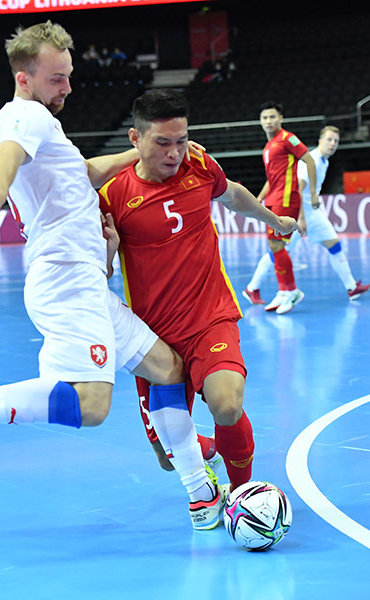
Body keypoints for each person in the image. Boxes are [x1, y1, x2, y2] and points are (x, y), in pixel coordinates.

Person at [0, 21, 225, 531]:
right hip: (66, 282)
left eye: (68, 76)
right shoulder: (23, 116)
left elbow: (83, 174)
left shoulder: (48, 127)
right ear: (25, 78)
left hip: (87, 280)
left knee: (168, 368)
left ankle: (200, 494)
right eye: (57, 79)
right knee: (91, 405)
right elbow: (7, 156)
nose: (67, 87)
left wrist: (144, 151)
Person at [99, 89, 300, 493]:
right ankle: (200, 453)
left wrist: (273, 218)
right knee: (168, 459)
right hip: (152, 339)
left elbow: (233, 195)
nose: (174, 153)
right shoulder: (111, 194)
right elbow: (98, 274)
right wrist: (108, 251)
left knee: (226, 404)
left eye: (180, 140)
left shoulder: (199, 163)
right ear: (135, 140)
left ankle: (243, 494)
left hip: (209, 317)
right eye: (162, 143)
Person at [242, 101, 319, 314]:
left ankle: (291, 290)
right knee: (276, 246)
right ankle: (284, 290)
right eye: (265, 118)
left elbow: (310, 161)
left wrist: (313, 193)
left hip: (286, 198)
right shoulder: (268, 146)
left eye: (272, 117)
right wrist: (259, 197)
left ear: (281, 118)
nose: (268, 121)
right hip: (273, 199)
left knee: (276, 244)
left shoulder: (287, 138)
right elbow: (272, 177)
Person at [285, 126, 370, 300]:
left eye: (336, 141)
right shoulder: (312, 160)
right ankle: (253, 287)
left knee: (334, 244)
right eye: (329, 140)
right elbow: (298, 189)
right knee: (281, 252)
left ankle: (351, 287)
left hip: (313, 213)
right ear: (320, 141)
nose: (332, 144)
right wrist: (301, 218)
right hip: (299, 213)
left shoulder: (324, 161)